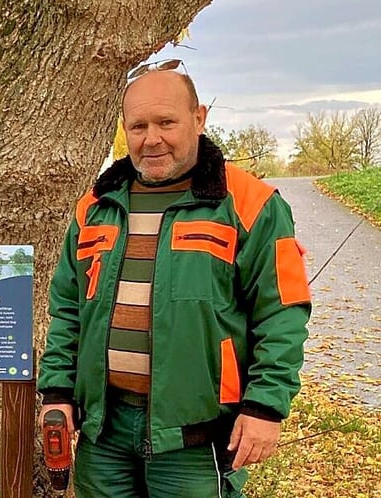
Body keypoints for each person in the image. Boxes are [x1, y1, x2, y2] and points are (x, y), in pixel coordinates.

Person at [37, 60, 311, 497]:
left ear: (199, 118)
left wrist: (265, 407)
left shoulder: (250, 203)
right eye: (139, 126)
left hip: (196, 439)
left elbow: (282, 313)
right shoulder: (94, 207)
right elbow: (68, 310)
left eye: (166, 122)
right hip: (102, 432)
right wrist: (56, 392)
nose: (152, 138)